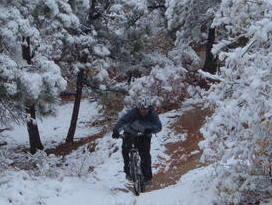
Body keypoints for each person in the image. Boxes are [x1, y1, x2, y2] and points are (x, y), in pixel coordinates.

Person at [112, 96, 162, 184]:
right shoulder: (133, 113)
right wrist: (116, 130)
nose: (144, 111)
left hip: (144, 134)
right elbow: (122, 121)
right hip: (130, 132)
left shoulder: (152, 115)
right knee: (125, 150)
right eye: (142, 109)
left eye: (146, 109)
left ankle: (147, 177)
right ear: (138, 108)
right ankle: (128, 172)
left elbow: (158, 126)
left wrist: (151, 129)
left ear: (149, 108)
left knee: (145, 155)